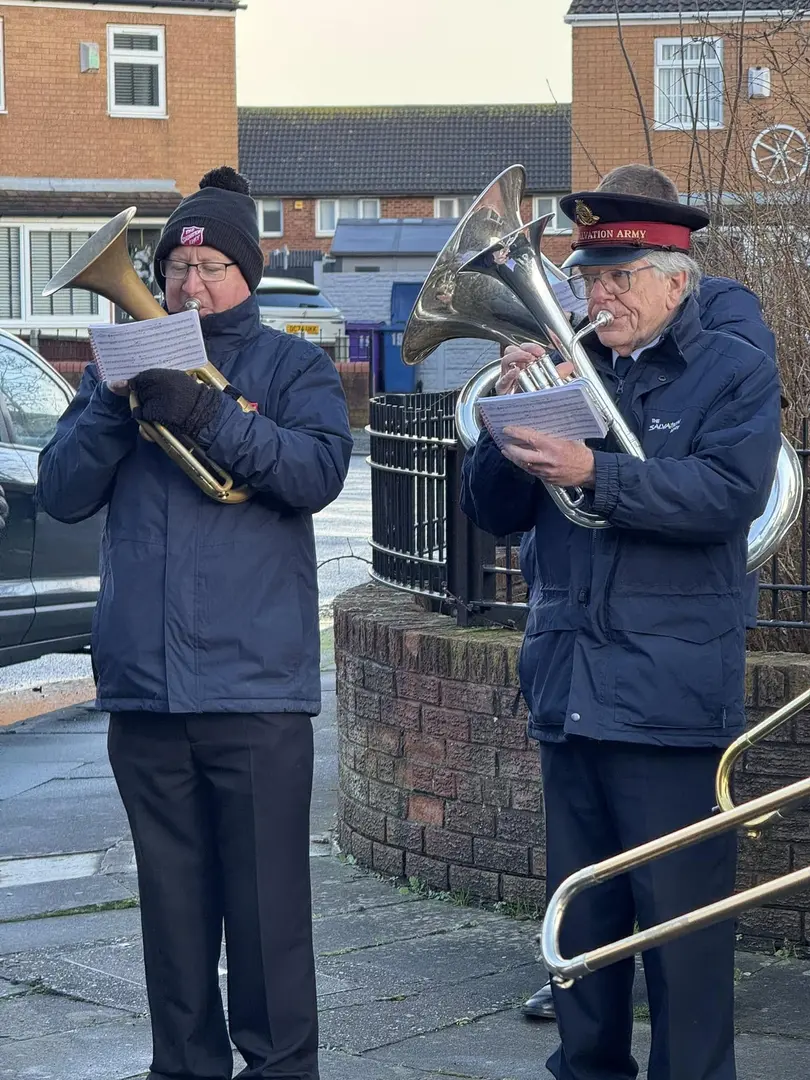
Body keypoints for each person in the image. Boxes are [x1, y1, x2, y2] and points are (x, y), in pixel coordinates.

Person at [36, 166, 352, 1080]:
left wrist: (208, 409)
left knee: (267, 922)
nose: (188, 284)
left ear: (246, 272)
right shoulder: (122, 369)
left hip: (253, 689)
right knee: (172, 922)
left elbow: (315, 474)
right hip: (146, 690)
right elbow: (60, 493)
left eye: (211, 265)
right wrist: (105, 397)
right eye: (177, 266)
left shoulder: (295, 367)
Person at [460, 183, 781, 1080]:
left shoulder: (731, 368)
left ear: (677, 283)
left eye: (623, 275)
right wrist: (511, 419)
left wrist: (593, 470)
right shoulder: (574, 366)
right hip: (569, 687)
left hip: (670, 699)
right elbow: (493, 512)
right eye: (590, 273)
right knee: (585, 934)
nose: (600, 294)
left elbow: (728, 498)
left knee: (683, 940)